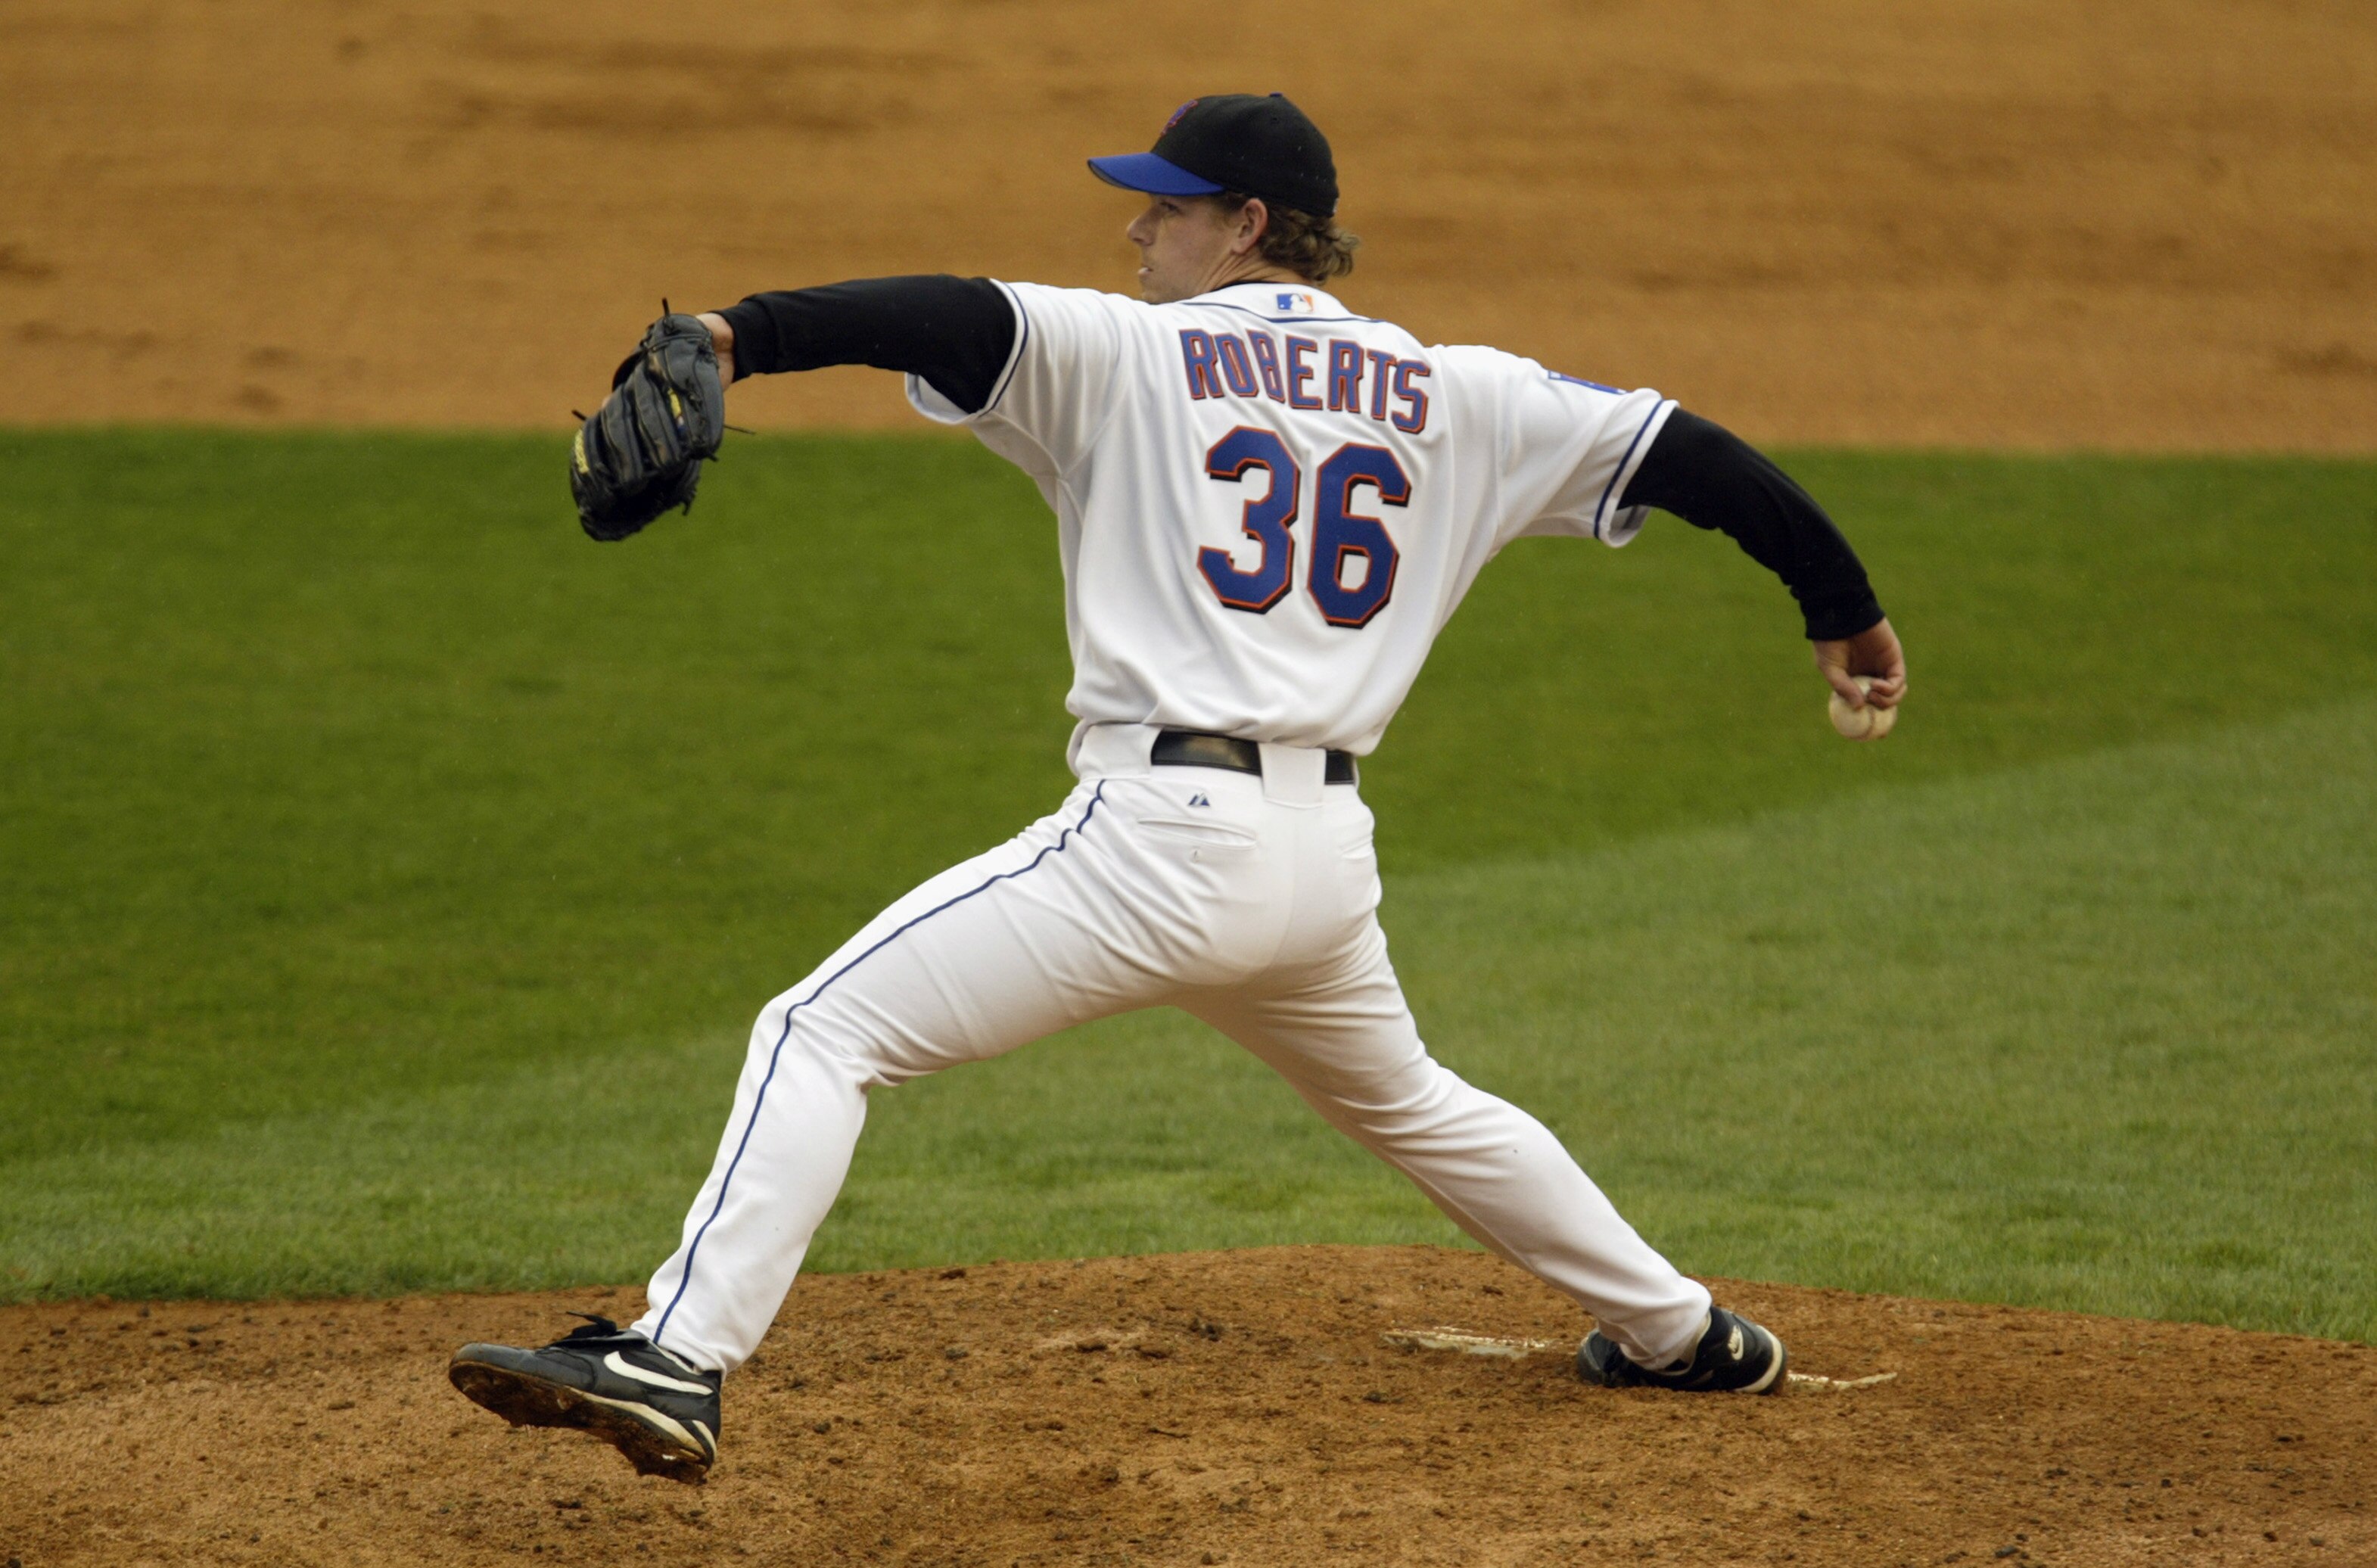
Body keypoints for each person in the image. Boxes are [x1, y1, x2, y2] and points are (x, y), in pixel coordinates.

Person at [448, 92, 1908, 1483]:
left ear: (1247, 224)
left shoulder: (1134, 355)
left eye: (1164, 212)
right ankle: (1682, 1337)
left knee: (821, 1031)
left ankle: (676, 1358)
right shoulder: (1458, 391)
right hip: (1319, 863)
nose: (1136, 239)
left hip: (1155, 846)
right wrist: (1839, 612)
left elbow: (951, 310)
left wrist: (733, 332)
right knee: (1412, 1101)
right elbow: (1696, 456)